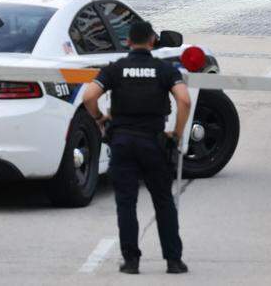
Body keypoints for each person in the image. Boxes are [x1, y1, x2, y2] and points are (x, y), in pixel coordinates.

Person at [80, 20, 191, 275]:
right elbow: (184, 100)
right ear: (152, 41)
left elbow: (89, 96)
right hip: (153, 142)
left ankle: (131, 261)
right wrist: (176, 134)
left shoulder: (115, 69)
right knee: (163, 201)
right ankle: (173, 261)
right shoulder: (164, 69)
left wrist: (99, 119)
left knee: (126, 203)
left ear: (128, 41)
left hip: (122, 142)